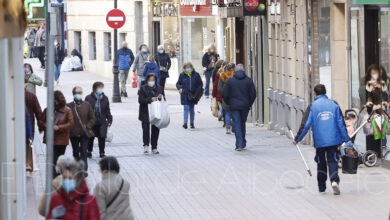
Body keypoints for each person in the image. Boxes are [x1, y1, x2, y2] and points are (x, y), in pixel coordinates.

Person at [293, 84, 351, 195]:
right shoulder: (334, 105)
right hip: (333, 139)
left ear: (315, 93)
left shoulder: (312, 106)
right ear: (325, 92)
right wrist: (347, 139)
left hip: (320, 141)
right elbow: (341, 124)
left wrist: (297, 139)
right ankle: (334, 180)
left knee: (321, 162)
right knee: (333, 159)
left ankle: (322, 187)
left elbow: (305, 125)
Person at [39, 91, 74, 177]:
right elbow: (40, 121)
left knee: (59, 161)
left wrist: (59, 127)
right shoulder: (48, 110)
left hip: (62, 140)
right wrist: (45, 125)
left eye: (54, 100)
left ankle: (58, 178)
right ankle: (54, 180)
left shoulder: (67, 110)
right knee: (53, 161)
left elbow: (71, 123)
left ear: (58, 100)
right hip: (50, 139)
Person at [222, 64, 256, 151]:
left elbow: (225, 94)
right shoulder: (248, 81)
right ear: (243, 70)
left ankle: (239, 144)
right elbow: (253, 94)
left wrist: (228, 102)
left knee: (237, 123)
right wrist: (249, 103)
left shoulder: (230, 81)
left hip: (234, 106)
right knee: (242, 123)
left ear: (235, 71)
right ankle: (242, 142)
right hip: (245, 106)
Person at [68, 86, 96, 171]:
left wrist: (88, 125)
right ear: (73, 94)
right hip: (73, 133)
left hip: (84, 133)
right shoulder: (69, 106)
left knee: (83, 151)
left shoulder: (87, 105)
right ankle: (76, 169)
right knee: (75, 152)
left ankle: (84, 170)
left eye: (80, 93)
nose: (78, 94)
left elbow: (93, 118)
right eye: (76, 93)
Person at [85, 82, 113, 158]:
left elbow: (107, 110)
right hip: (92, 121)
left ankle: (102, 152)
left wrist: (110, 120)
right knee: (91, 137)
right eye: (99, 87)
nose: (101, 89)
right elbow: (85, 110)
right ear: (94, 88)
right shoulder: (88, 98)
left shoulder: (105, 98)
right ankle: (89, 151)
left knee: (102, 136)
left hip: (102, 121)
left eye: (102, 87)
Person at [138, 73, 163, 154]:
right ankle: (146, 145)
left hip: (156, 112)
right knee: (145, 129)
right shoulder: (143, 88)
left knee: (155, 130)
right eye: (150, 80)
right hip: (145, 112)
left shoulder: (159, 88)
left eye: (153, 80)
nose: (151, 81)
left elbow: (163, 100)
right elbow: (140, 100)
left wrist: (160, 98)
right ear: (147, 80)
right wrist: (150, 99)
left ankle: (154, 147)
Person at [176, 62, 204, 129]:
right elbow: (178, 83)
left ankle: (192, 123)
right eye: (186, 67)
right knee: (186, 108)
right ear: (184, 68)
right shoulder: (182, 75)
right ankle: (185, 123)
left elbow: (200, 84)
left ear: (191, 67)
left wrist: (197, 92)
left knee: (191, 109)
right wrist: (179, 88)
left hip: (193, 95)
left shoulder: (196, 75)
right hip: (185, 94)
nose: (187, 69)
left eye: (189, 67)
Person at [25, 85, 42, 171]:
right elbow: (38, 112)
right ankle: (27, 163)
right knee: (28, 145)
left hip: (16, 127)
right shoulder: (31, 96)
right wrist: (41, 126)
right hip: (30, 126)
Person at [218, 63, 236, 134]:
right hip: (234, 97)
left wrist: (224, 94)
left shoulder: (222, 76)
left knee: (227, 113)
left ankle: (228, 128)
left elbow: (219, 87)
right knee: (235, 113)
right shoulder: (235, 76)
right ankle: (234, 128)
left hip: (226, 98)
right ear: (232, 69)